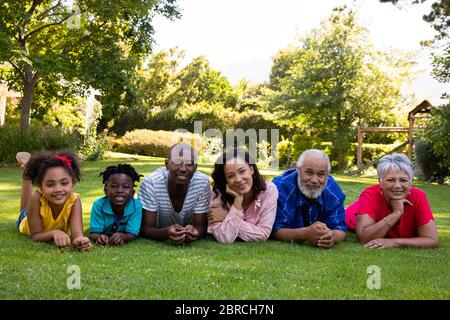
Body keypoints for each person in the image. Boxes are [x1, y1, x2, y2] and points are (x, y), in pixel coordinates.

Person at [345, 153, 439, 249]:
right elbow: (363, 238)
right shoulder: (369, 195)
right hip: (351, 216)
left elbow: (432, 239)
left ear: (411, 183)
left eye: (403, 180)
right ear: (380, 182)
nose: (397, 186)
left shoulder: (418, 196)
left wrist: (394, 242)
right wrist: (396, 213)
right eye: (390, 180)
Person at [15, 150, 92, 251]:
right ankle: (26, 170)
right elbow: (36, 235)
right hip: (27, 218)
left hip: (42, 212)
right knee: (24, 210)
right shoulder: (36, 197)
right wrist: (54, 233)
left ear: (72, 184)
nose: (58, 189)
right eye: (50, 185)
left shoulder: (75, 200)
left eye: (64, 183)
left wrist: (81, 241)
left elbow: (77, 235)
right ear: (41, 187)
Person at [271, 149, 346, 248]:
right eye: (309, 173)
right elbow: (275, 230)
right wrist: (305, 233)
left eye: (321, 174)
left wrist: (331, 236)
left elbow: (340, 229)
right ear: (298, 170)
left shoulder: (334, 192)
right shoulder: (280, 188)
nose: (314, 180)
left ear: (327, 175)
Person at [138, 142, 211, 245]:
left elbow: (202, 227)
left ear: (195, 167)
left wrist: (196, 232)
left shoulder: (202, 183)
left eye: (189, 164)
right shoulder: (151, 182)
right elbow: (145, 228)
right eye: (177, 162)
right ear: (167, 164)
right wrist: (166, 233)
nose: (183, 169)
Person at [207, 148, 278, 243]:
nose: (238, 179)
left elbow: (263, 234)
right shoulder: (218, 194)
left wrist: (227, 217)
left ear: (251, 169)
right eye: (230, 176)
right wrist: (237, 202)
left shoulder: (268, 190)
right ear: (225, 180)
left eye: (242, 171)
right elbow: (224, 238)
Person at [89, 164, 143, 246]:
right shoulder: (99, 205)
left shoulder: (136, 206)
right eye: (114, 186)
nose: (119, 190)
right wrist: (99, 237)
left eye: (126, 187)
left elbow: (132, 234)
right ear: (105, 191)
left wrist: (123, 236)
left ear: (132, 193)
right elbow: (94, 233)